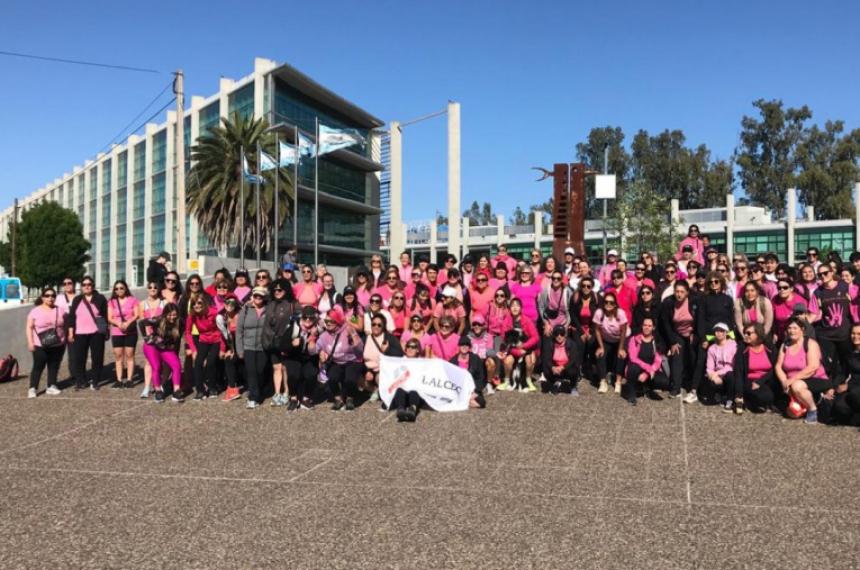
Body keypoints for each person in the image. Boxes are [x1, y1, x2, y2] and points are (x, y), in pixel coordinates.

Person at [688, 271, 734, 403]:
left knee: (725, 364)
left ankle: (724, 392)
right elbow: (700, 320)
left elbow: (730, 320)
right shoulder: (703, 299)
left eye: (716, 282)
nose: (713, 284)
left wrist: (730, 337)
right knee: (700, 363)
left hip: (724, 336)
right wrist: (702, 338)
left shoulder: (728, 299)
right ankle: (693, 391)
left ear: (721, 283)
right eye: (711, 282)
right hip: (708, 336)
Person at [776, 317, 831, 424]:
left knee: (797, 386)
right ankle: (806, 401)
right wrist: (784, 382)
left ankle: (812, 410)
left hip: (815, 378)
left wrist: (791, 380)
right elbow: (778, 366)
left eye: (795, 328)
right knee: (792, 413)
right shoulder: (785, 345)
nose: (791, 331)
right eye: (789, 328)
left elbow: (813, 367)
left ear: (802, 330)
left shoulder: (810, 344)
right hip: (794, 382)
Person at [313, 305, 365, 411]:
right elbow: (313, 349)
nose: (328, 323)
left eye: (331, 321)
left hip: (352, 360)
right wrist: (318, 350)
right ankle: (338, 399)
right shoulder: (324, 335)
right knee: (332, 377)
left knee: (350, 379)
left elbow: (360, 350)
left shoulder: (347, 330)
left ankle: (350, 398)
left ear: (337, 321)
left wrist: (354, 335)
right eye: (326, 321)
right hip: (336, 361)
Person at [67, 276, 108, 391]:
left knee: (97, 358)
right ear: (81, 287)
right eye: (84, 285)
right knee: (79, 358)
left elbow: (104, 315)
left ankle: (95, 381)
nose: (87, 286)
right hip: (79, 333)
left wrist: (104, 331)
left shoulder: (100, 298)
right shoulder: (77, 299)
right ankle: (81, 381)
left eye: (89, 284)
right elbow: (71, 317)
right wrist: (71, 332)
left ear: (93, 285)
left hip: (96, 333)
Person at [659, 281, 698, 399]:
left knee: (693, 356)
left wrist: (695, 333)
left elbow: (699, 318)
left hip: (691, 332)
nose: (679, 294)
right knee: (677, 356)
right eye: (677, 291)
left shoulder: (694, 301)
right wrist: (672, 341)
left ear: (687, 293)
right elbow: (665, 323)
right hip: (677, 333)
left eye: (682, 292)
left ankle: (693, 385)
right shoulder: (669, 303)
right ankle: (676, 388)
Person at [814, 262, 852, 379]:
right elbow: (813, 313)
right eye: (820, 274)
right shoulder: (817, 292)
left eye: (825, 273)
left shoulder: (844, 286)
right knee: (830, 363)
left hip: (844, 332)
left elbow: (855, 304)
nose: (823, 276)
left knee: (846, 360)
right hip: (826, 334)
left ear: (832, 272)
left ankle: (846, 384)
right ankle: (831, 387)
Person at [140, 303, 185, 403]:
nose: (172, 317)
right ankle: (158, 391)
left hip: (166, 347)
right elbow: (142, 323)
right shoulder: (158, 319)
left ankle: (176, 391)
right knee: (156, 366)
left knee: (177, 365)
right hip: (152, 345)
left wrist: (175, 352)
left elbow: (177, 340)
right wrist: (146, 336)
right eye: (169, 315)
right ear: (165, 314)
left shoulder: (180, 322)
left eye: (174, 314)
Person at [263, 279, 298, 407]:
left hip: (286, 341)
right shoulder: (270, 303)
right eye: (275, 289)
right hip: (272, 341)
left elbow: (299, 321)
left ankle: (286, 392)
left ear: (286, 290)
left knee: (285, 367)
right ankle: (277, 392)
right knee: (276, 367)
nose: (277, 292)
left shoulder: (292, 304)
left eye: (280, 289)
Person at [26, 287, 66, 398]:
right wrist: (30, 342)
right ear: (43, 297)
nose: (50, 298)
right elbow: (29, 327)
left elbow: (66, 324)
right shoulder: (35, 311)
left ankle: (51, 385)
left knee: (54, 365)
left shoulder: (60, 310)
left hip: (58, 343)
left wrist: (66, 337)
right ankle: (33, 388)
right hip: (40, 344)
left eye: (53, 296)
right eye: (47, 296)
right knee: (38, 366)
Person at [186, 294, 225, 400]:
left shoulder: (213, 313)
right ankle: (200, 390)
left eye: (199, 303)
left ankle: (212, 387)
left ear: (204, 303)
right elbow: (188, 333)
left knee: (211, 362)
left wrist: (222, 348)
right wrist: (193, 350)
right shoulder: (192, 316)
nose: (197, 306)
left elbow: (222, 330)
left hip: (216, 339)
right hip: (203, 339)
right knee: (198, 363)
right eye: (194, 304)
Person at [284, 306, 322, 411]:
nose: (308, 320)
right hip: (293, 356)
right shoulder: (294, 327)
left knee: (312, 374)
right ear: (301, 317)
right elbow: (281, 344)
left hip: (310, 357)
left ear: (315, 318)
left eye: (311, 318)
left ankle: (306, 398)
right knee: (293, 375)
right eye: (305, 317)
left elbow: (324, 343)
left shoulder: (319, 329)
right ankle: (293, 398)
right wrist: (292, 344)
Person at [623, 317, 668, 405]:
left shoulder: (656, 341)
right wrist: (648, 369)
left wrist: (647, 373)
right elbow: (633, 358)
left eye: (649, 326)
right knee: (633, 367)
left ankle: (647, 387)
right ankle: (632, 394)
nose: (647, 327)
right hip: (637, 368)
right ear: (642, 326)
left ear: (653, 328)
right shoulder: (634, 339)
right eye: (645, 325)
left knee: (664, 382)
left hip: (650, 370)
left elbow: (658, 361)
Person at [236, 287, 269, 409]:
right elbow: (239, 330)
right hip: (248, 346)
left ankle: (258, 390)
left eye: (260, 296)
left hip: (263, 346)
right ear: (252, 296)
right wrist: (240, 349)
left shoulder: (268, 309)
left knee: (260, 371)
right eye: (256, 296)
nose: (258, 298)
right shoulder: (245, 309)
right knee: (251, 371)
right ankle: (253, 397)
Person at [498, 298, 540, 392]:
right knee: (508, 361)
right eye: (512, 305)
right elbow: (505, 340)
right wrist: (517, 352)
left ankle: (528, 380)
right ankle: (507, 380)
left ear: (521, 308)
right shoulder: (506, 322)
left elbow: (535, 337)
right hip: (512, 349)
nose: (515, 308)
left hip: (527, 348)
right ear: (509, 308)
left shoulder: (527, 321)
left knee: (530, 360)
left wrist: (524, 347)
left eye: (517, 305)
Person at [734, 322, 777, 413]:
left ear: (758, 333)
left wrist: (760, 381)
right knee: (764, 396)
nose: (745, 335)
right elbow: (739, 372)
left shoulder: (769, 347)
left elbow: (776, 367)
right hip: (751, 380)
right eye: (745, 332)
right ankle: (749, 401)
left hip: (767, 379)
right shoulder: (742, 348)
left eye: (749, 333)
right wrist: (739, 395)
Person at [363, 314, 404, 403]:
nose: (376, 327)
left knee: (380, 378)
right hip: (369, 370)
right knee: (356, 377)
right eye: (373, 324)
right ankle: (375, 390)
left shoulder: (389, 338)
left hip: (382, 370)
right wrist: (367, 370)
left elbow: (400, 354)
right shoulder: (366, 338)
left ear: (383, 326)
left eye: (379, 325)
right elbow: (361, 357)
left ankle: (382, 391)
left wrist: (387, 350)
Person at [594, 291, 628, 394]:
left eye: (611, 302)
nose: (608, 304)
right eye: (606, 302)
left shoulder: (620, 313)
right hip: (606, 339)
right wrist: (601, 346)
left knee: (621, 355)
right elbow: (596, 330)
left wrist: (621, 348)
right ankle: (602, 381)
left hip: (620, 338)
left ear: (615, 304)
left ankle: (618, 381)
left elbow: (623, 331)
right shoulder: (599, 313)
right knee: (600, 354)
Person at [107, 279, 139, 390]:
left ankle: (130, 379)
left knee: (130, 355)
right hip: (117, 331)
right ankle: (119, 380)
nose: (119, 290)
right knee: (118, 356)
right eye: (116, 288)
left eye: (121, 288)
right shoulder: (111, 302)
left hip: (130, 331)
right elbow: (109, 318)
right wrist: (118, 323)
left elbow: (137, 314)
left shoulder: (133, 300)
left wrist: (127, 322)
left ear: (125, 288)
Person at [569, 276, 600, 383]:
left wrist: (590, 331)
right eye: (583, 286)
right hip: (579, 326)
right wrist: (582, 331)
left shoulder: (597, 298)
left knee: (592, 343)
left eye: (588, 286)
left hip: (593, 327)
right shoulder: (576, 297)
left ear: (592, 287)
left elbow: (599, 316)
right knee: (579, 345)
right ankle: (577, 370)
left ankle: (590, 369)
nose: (585, 288)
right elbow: (572, 314)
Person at [829, 323, 860, 425]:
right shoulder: (849, 352)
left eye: (859, 334)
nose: (855, 336)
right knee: (840, 406)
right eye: (853, 333)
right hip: (853, 387)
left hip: (855, 388)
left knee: (855, 394)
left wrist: (849, 385)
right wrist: (834, 386)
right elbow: (843, 373)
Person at [138, 282, 165, 399]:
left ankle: (159, 384)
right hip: (149, 337)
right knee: (148, 362)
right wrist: (146, 336)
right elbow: (142, 321)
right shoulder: (142, 304)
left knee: (162, 361)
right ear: (147, 289)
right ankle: (147, 387)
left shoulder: (164, 303)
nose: (153, 289)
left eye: (155, 287)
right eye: (150, 287)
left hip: (162, 336)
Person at [702, 322, 738, 411]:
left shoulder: (733, 345)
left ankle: (730, 400)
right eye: (716, 331)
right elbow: (709, 367)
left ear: (726, 333)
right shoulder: (712, 348)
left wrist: (717, 373)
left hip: (729, 373)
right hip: (717, 374)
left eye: (721, 331)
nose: (718, 333)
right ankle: (720, 394)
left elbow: (731, 365)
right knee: (711, 382)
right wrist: (711, 375)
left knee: (730, 375)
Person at [215, 295, 242, 402]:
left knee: (232, 359)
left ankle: (233, 387)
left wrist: (234, 351)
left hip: (242, 343)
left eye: (232, 302)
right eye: (227, 302)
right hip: (232, 344)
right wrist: (225, 349)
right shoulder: (223, 317)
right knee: (227, 359)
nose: (229, 305)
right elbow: (224, 335)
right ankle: (232, 388)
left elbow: (241, 336)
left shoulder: (240, 315)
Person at [541, 324, 580, 395]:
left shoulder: (571, 344)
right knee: (546, 368)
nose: (559, 336)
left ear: (565, 335)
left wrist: (562, 367)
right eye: (556, 334)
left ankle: (573, 386)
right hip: (555, 368)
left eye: (561, 334)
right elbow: (547, 358)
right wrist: (552, 367)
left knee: (574, 368)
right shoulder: (550, 344)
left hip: (567, 367)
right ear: (553, 335)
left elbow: (573, 359)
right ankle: (554, 382)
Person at [450, 335, 487, 408]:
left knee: (481, 403)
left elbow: (481, 377)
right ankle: (465, 401)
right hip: (458, 390)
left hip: (472, 389)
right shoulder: (453, 361)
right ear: (459, 346)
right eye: (462, 345)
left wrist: (476, 391)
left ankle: (463, 401)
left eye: (466, 345)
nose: (464, 347)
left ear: (469, 347)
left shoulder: (476, 359)